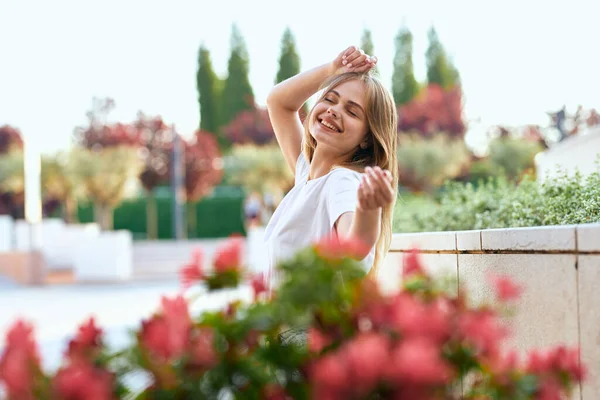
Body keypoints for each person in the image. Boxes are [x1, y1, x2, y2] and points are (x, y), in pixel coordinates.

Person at [264, 45, 399, 290]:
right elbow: (278, 102)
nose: (333, 111)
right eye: (329, 99)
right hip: (286, 326)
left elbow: (353, 247)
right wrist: (332, 70)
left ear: (367, 138)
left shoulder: (343, 182)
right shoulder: (306, 175)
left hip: (307, 329)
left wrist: (368, 210)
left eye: (352, 111)